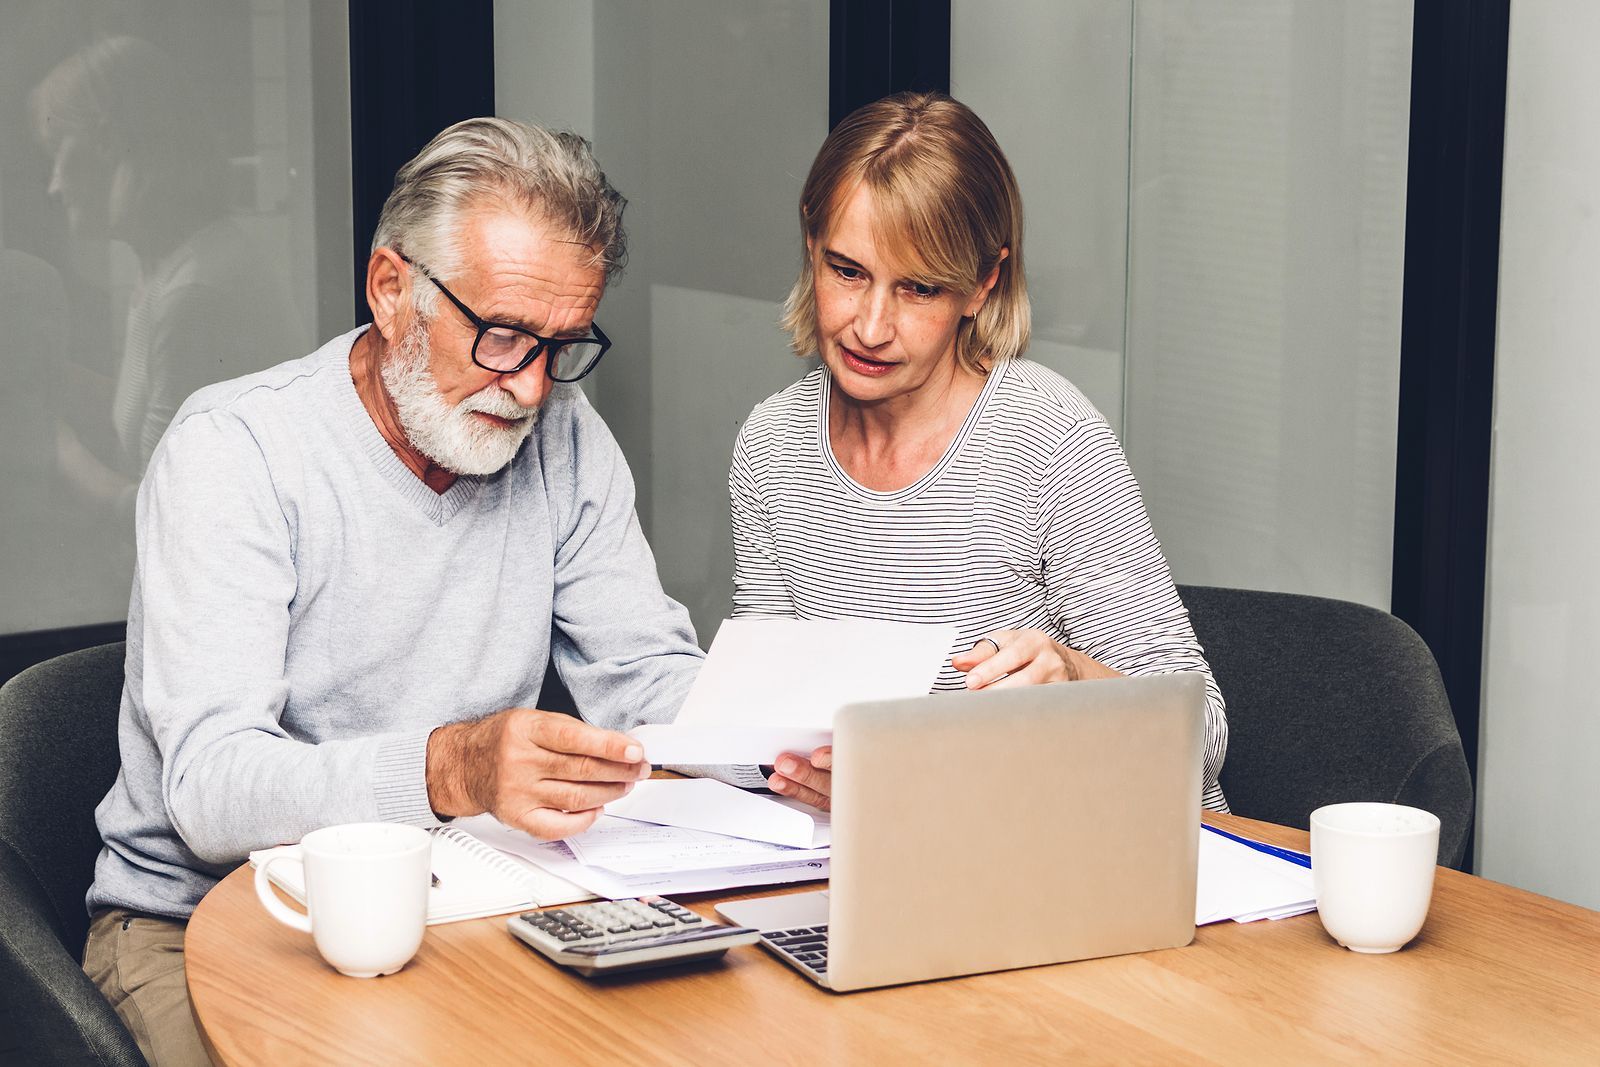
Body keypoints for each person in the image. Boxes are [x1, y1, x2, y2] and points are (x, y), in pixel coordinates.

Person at [82, 117, 704, 1066]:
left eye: (561, 345)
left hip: (468, 900)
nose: (532, 389)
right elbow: (211, 790)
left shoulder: (567, 440)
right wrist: (451, 768)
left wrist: (805, 733)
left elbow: (648, 679)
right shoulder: (236, 453)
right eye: (501, 337)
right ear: (391, 288)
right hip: (203, 920)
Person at [731, 92, 1228, 813]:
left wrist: (1077, 682)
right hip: (906, 864)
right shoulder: (772, 446)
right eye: (847, 271)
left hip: (1106, 861)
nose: (871, 326)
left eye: (919, 288)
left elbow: (1205, 735)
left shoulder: (1048, 438)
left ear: (982, 285)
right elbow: (763, 718)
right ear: (811, 247)